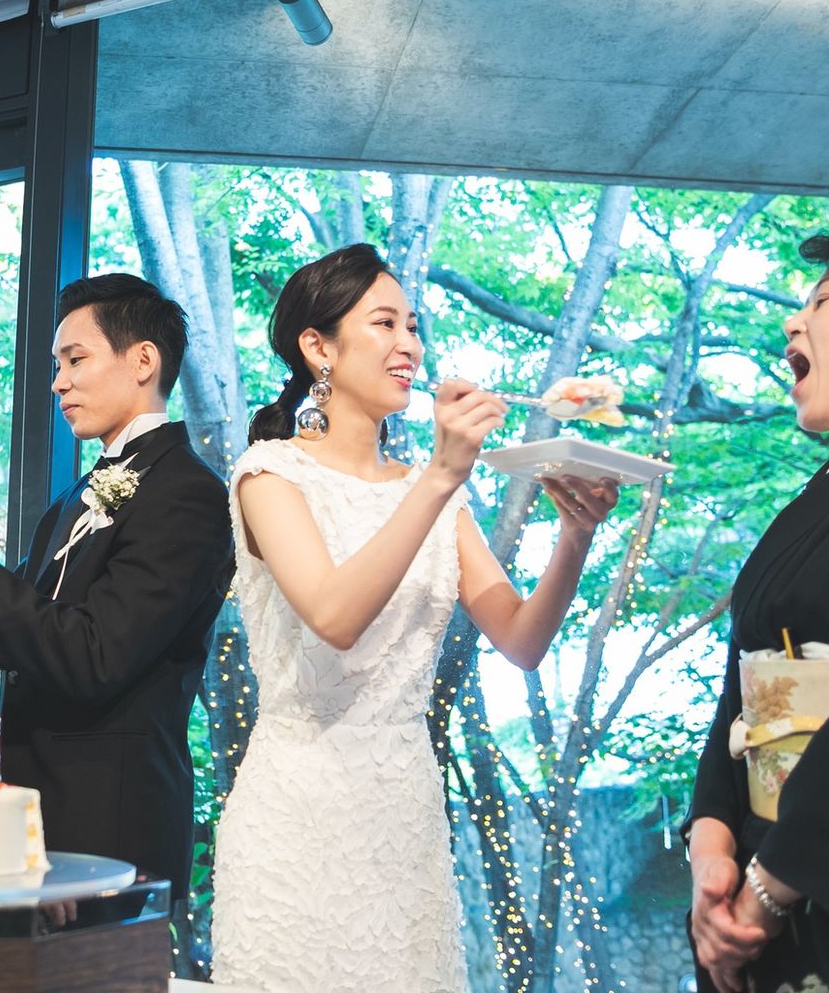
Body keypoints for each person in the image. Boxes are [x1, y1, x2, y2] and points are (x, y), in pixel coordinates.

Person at [209, 244, 618, 993]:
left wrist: (575, 537)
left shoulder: (433, 493)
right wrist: (441, 474)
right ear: (318, 347)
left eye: (413, 326)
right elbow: (334, 615)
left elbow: (522, 640)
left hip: (405, 821)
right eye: (385, 323)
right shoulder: (269, 475)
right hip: (296, 821)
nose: (410, 346)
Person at [0, 274, 233, 901]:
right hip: (34, 810)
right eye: (56, 365)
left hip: (111, 820)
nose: (58, 382)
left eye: (75, 359)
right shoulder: (71, 498)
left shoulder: (188, 493)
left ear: (143, 361)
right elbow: (27, 630)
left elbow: (94, 656)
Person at [685, 234, 829, 993]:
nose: (791, 323)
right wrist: (710, 847)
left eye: (824, 304)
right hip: (756, 863)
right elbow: (742, 690)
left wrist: (768, 889)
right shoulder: (811, 497)